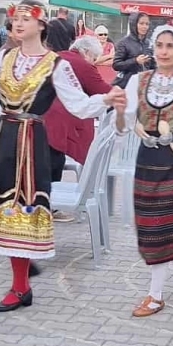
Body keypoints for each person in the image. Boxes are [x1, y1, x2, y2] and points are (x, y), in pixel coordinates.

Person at [0, 0, 122, 311]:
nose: (18, 24)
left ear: (41, 25)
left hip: (33, 141)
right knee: (6, 207)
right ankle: (21, 283)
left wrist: (106, 99)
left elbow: (78, 105)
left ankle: (20, 286)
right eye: (15, 20)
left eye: (26, 19)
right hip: (5, 139)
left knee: (24, 209)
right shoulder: (5, 58)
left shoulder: (56, 65)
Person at [116, 20, 173, 317]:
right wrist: (120, 112)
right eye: (159, 45)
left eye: (170, 46)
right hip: (148, 158)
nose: (164, 51)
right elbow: (124, 127)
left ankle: (155, 295)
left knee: (167, 225)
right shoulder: (138, 81)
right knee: (151, 225)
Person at [41, 20, 112, 222]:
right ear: (86, 52)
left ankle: (45, 207)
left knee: (51, 161)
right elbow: (103, 90)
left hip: (44, 116)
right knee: (53, 162)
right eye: (94, 58)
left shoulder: (59, 57)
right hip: (57, 119)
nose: (94, 62)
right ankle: (47, 208)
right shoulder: (81, 64)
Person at [113, 12, 154, 87]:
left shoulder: (149, 43)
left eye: (147, 24)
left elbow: (152, 66)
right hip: (126, 84)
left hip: (143, 85)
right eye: (141, 23)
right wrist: (135, 61)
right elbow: (116, 65)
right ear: (134, 25)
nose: (144, 27)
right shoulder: (124, 43)